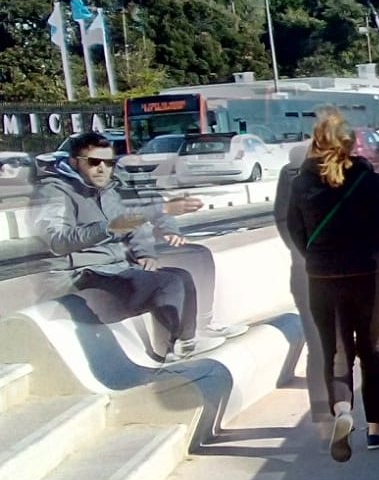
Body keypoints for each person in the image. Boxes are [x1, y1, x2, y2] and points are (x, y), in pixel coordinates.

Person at [34, 131, 245, 362]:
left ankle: (188, 340)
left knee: (183, 275)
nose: (103, 169)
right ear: (75, 162)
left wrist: (144, 252)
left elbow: (130, 222)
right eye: (94, 162)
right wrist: (111, 227)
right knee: (167, 283)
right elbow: (58, 241)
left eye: (109, 163)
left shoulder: (107, 189)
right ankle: (169, 350)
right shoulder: (56, 191)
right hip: (80, 274)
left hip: (113, 266)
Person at [284, 110, 379, 462]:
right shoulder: (372, 182)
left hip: (323, 278)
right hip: (369, 275)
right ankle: (376, 428)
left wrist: (318, 258)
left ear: (316, 141)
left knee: (336, 352)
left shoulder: (301, 183)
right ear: (352, 144)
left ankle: (342, 410)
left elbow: (295, 230)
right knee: (373, 350)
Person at [274, 140, 328, 425]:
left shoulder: (290, 174)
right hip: (347, 270)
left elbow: (282, 219)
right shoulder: (351, 170)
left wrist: (304, 254)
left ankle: (321, 412)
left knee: (317, 344)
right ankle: (352, 411)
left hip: (305, 272)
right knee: (347, 345)